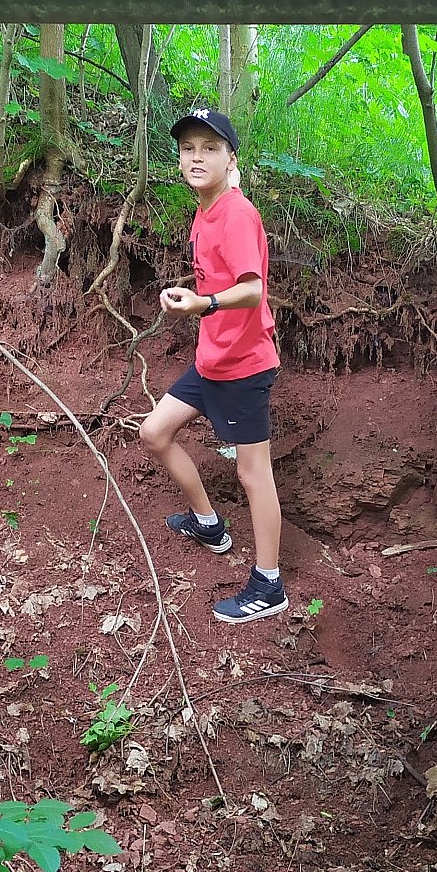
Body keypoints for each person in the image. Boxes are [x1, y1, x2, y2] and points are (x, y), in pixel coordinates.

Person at [140, 107, 287, 623]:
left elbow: (253, 290)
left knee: (253, 473)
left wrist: (203, 304)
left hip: (244, 365)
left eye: (210, 148)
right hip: (211, 361)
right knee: (155, 432)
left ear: (231, 159)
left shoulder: (236, 214)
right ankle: (209, 524)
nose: (197, 158)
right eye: (188, 149)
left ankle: (269, 585)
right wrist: (195, 298)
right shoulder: (207, 210)